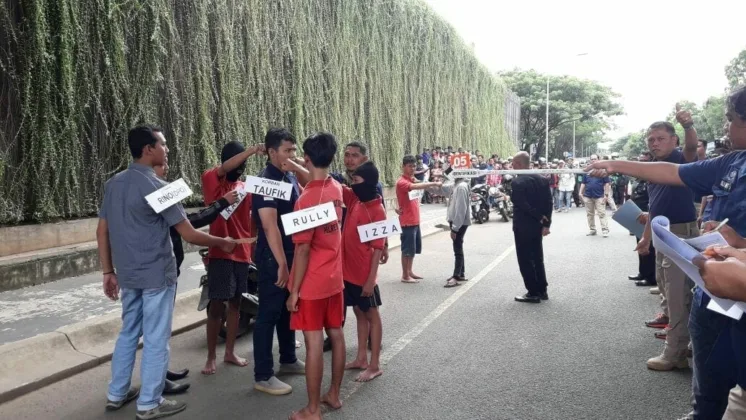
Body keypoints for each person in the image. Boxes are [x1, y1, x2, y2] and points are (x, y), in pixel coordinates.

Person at [585, 84, 746, 420]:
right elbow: (674, 174)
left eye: (731, 120)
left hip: (739, 290)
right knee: (708, 367)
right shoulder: (733, 162)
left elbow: (682, 159)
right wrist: (614, 164)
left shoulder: (691, 151)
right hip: (712, 288)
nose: (726, 128)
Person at [99, 125, 236, 419]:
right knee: (157, 338)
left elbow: (102, 231)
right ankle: (150, 403)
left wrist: (107, 271)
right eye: (163, 144)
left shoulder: (113, 184)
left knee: (128, 333)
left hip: (128, 274)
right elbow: (189, 233)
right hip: (156, 275)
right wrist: (221, 242)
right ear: (148, 149)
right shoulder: (158, 188)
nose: (167, 149)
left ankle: (117, 392)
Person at [154, 162, 240, 394]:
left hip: (166, 269)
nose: (166, 167)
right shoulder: (154, 194)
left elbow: (191, 219)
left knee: (160, 328)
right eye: (161, 164)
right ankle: (155, 384)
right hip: (156, 272)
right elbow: (192, 227)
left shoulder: (155, 192)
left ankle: (159, 371)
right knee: (154, 330)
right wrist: (221, 209)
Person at [286, 132, 345, 420]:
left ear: (307, 158)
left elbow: (303, 250)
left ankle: (312, 410)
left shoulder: (306, 199)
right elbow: (316, 179)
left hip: (312, 282)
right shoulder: (337, 188)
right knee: (336, 334)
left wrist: (294, 290)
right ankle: (333, 394)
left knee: (312, 345)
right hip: (336, 278)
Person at [635, 114, 700, 371]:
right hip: (664, 236)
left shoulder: (679, 160)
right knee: (670, 292)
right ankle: (687, 342)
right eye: (651, 139)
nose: (654, 143)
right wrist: (646, 238)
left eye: (660, 138)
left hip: (680, 234)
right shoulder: (655, 167)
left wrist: (688, 126)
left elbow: (692, 147)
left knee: (677, 296)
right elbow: (655, 206)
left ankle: (674, 354)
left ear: (674, 140)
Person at [201, 141, 264, 375]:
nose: (241, 165)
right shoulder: (211, 179)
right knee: (217, 304)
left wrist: (253, 243)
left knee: (236, 303)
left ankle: (229, 352)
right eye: (238, 159)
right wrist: (251, 150)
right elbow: (223, 169)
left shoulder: (245, 186)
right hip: (219, 252)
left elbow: (252, 219)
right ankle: (210, 358)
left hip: (242, 253)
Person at [252, 128, 305, 396]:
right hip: (274, 256)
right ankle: (263, 375)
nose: (292, 155)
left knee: (287, 308)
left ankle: (288, 359)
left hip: (291, 252)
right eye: (287, 151)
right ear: (272, 152)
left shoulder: (290, 175)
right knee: (268, 313)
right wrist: (282, 263)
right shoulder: (265, 181)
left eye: (294, 150)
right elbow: (270, 226)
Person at [339, 161, 386, 382]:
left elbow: (377, 249)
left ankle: (375, 364)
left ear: (368, 182)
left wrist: (370, 280)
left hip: (364, 275)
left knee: (372, 316)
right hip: (349, 272)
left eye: (357, 181)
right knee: (358, 312)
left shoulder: (377, 210)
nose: (353, 185)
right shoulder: (355, 200)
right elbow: (330, 183)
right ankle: (360, 358)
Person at [510, 152, 552, 303]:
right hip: (538, 226)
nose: (511, 167)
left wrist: (538, 216)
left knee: (525, 259)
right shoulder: (542, 179)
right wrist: (546, 223)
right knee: (537, 258)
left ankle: (533, 292)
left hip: (523, 226)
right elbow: (549, 202)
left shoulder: (518, 182)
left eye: (513, 163)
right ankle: (542, 290)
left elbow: (522, 204)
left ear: (520, 164)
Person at [396, 155, 442, 283]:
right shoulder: (402, 182)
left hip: (415, 220)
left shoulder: (412, 179)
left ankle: (410, 272)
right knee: (407, 249)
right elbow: (415, 187)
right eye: (409, 166)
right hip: (407, 221)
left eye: (414, 166)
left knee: (413, 249)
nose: (412, 168)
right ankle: (405, 275)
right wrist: (434, 183)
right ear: (403, 167)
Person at [627, 152, 657, 289]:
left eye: (645, 160)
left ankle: (651, 277)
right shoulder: (639, 179)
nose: (642, 162)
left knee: (648, 247)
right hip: (638, 216)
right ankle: (643, 273)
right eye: (640, 160)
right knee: (640, 245)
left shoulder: (653, 179)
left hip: (648, 218)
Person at [444, 175, 471, 288]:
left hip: (459, 222)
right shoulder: (457, 185)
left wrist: (455, 228)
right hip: (457, 221)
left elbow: (461, 209)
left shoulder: (461, 187)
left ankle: (456, 276)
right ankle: (461, 273)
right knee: (458, 245)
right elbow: (441, 188)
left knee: (457, 249)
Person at [580, 155, 611, 237]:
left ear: (598, 159)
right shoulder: (587, 171)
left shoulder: (602, 171)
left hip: (599, 196)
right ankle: (592, 230)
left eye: (595, 159)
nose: (593, 160)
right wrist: (580, 193)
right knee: (590, 214)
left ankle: (605, 229)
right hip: (588, 196)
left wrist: (606, 195)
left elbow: (607, 183)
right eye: (592, 159)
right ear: (590, 160)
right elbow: (583, 183)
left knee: (602, 213)